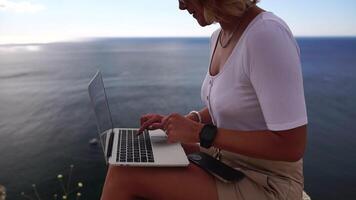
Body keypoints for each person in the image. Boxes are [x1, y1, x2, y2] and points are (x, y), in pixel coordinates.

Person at [101, 0, 308, 199]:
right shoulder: (219, 36)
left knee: (123, 173)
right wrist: (190, 120)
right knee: (145, 150)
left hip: (266, 182)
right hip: (227, 160)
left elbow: (291, 145)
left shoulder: (266, 35)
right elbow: (231, 104)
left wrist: (198, 133)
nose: (181, 6)